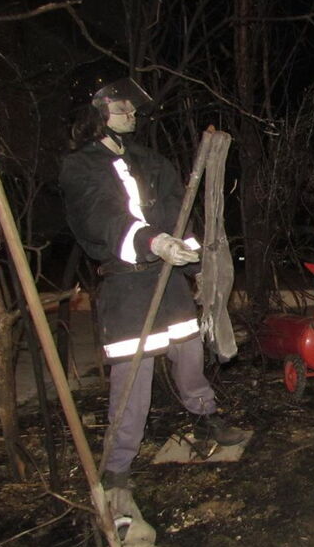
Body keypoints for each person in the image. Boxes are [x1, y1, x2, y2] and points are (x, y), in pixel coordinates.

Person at [59, 66, 249, 490]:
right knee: (132, 378)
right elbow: (100, 216)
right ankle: (119, 463)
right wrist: (151, 241)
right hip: (127, 287)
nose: (131, 113)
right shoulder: (80, 167)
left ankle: (205, 417)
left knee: (190, 355)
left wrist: (197, 266)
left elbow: (180, 215)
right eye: (120, 107)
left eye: (131, 107)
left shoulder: (150, 161)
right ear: (93, 115)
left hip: (169, 282)